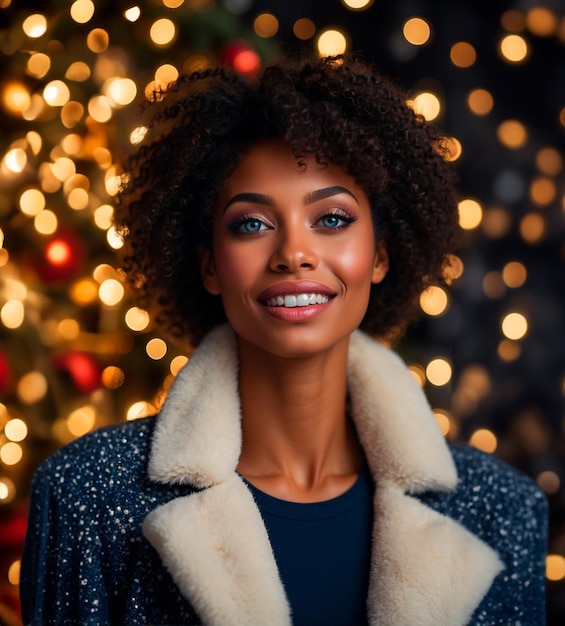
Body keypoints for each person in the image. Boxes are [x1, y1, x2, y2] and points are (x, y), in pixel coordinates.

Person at [20, 55, 547, 625]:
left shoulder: (502, 510)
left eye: (332, 219)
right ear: (210, 267)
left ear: (381, 255)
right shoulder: (90, 496)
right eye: (252, 224)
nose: (294, 253)